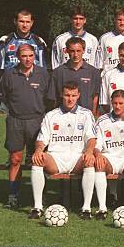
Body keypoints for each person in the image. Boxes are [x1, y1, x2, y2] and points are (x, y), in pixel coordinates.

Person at [29, 81, 97, 219]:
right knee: (38, 160)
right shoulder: (51, 115)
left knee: (89, 161)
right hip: (56, 158)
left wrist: (89, 151)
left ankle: (86, 208)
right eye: (67, 95)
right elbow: (42, 139)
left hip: (77, 158)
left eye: (73, 95)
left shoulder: (86, 114)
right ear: (62, 95)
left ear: (78, 95)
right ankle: (37, 207)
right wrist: (39, 150)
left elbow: (91, 138)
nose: (70, 99)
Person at [0, 44, 50, 209]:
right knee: (15, 159)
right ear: (18, 57)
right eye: (24, 56)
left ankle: (41, 197)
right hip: (15, 121)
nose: (27, 59)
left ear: (34, 56)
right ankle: (13, 196)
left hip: (37, 121)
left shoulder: (43, 73)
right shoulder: (9, 74)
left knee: (39, 159)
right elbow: (5, 97)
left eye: (30, 56)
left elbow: (49, 98)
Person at [93, 90, 124, 219]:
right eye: (115, 103)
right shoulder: (102, 121)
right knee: (99, 164)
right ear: (111, 103)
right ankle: (102, 208)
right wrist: (98, 155)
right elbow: (96, 146)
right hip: (109, 157)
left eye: (121, 103)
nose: (117, 106)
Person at [48, 37, 101, 116]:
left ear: (84, 51)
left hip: (85, 117)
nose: (75, 54)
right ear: (67, 51)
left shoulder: (93, 72)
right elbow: (53, 99)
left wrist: (92, 116)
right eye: (72, 51)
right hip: (63, 116)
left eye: (78, 51)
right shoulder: (58, 72)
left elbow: (95, 97)